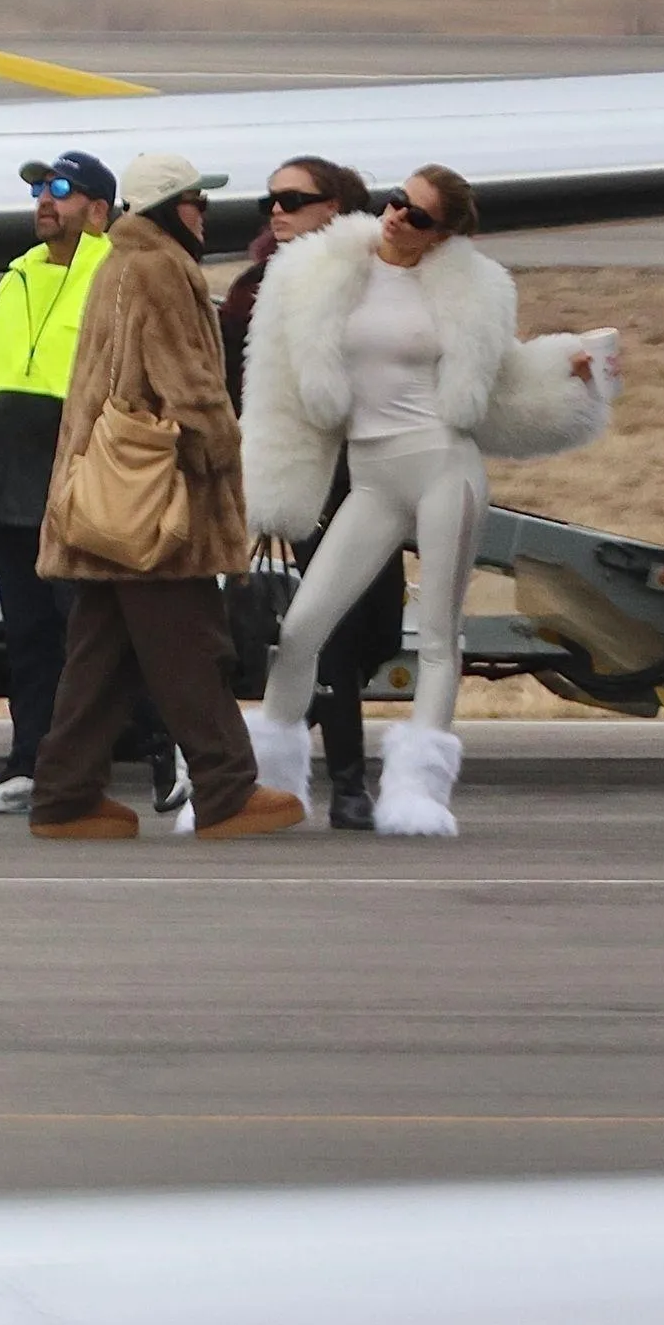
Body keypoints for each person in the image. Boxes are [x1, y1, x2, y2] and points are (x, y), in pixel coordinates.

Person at [241, 163, 609, 837]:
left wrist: (567, 371)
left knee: (439, 633)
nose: (396, 217)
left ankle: (417, 791)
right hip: (370, 478)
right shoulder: (324, 269)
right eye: (395, 201)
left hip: (444, 468)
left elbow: (500, 377)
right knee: (301, 628)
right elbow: (277, 381)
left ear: (442, 234)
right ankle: (270, 779)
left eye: (416, 214)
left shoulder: (470, 289)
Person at [28, 152, 307, 842]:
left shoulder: (116, 262)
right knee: (191, 645)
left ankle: (65, 796)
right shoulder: (161, 267)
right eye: (194, 202)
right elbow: (187, 382)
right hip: (157, 498)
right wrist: (221, 452)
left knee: (100, 658)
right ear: (165, 208)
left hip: (108, 494)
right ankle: (226, 789)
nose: (203, 214)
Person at [0, 152, 185, 816]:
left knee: (96, 633)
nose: (45, 198)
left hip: (82, 482)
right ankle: (30, 767)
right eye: (39, 189)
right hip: (11, 486)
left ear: (99, 211)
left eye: (62, 188)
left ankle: (170, 752)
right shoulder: (15, 278)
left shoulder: (119, 278)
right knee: (30, 640)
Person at [219, 155, 405, 831]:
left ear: (335, 207)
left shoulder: (380, 279)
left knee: (380, 630)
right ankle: (347, 785)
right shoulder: (255, 289)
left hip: (378, 474)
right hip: (306, 481)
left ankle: (303, 732)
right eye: (270, 200)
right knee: (333, 629)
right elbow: (229, 382)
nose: (277, 210)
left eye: (294, 199)